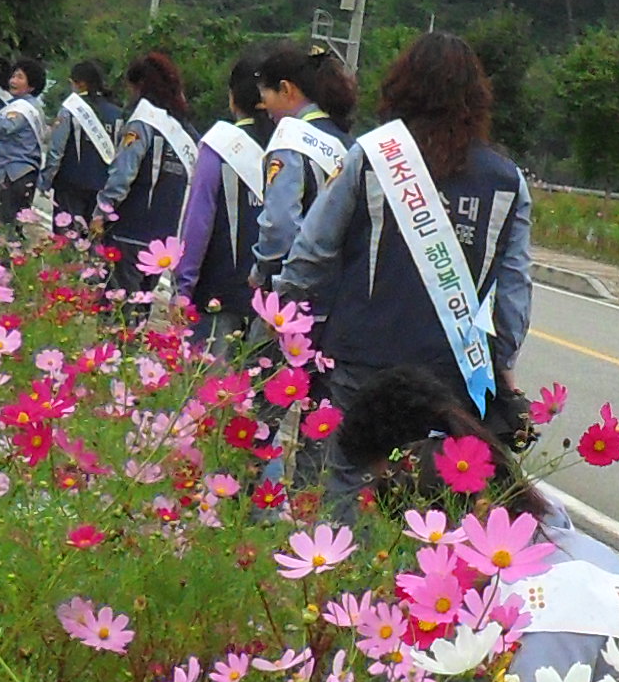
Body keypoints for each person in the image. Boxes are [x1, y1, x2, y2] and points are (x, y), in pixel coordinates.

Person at [280, 30, 535, 500]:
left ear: (401, 86)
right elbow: (514, 292)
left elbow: (311, 254)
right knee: (430, 491)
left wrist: (288, 320)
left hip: (362, 357)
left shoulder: (372, 157)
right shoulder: (507, 180)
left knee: (345, 480)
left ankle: (339, 550)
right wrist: (502, 367)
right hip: (451, 372)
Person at [250, 40, 357, 291]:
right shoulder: (349, 142)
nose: (265, 109)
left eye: (265, 96)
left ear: (285, 89)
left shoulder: (290, 139)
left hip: (296, 288)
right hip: (340, 287)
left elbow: (281, 226)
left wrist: (261, 271)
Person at [174, 55, 271, 330]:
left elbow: (198, 221)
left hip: (219, 293)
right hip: (274, 304)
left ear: (233, 97)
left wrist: (182, 288)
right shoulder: (289, 148)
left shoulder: (220, 146)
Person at [96, 50, 199, 292]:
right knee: (143, 303)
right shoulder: (187, 131)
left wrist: (101, 211)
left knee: (118, 303)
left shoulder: (142, 121)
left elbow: (123, 174)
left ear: (140, 86)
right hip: (164, 238)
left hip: (130, 229)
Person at [47, 57, 119, 227]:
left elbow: (56, 149)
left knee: (66, 236)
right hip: (102, 186)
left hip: (70, 183)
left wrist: (46, 179)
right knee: (92, 237)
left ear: (80, 84)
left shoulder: (70, 109)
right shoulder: (117, 113)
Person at [0, 60, 47, 226]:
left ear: (31, 86)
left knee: (3, 226)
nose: (13, 81)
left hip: (14, 176)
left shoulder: (23, 108)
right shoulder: (24, 106)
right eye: (13, 76)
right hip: (18, 174)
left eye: (20, 77)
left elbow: (3, 127)